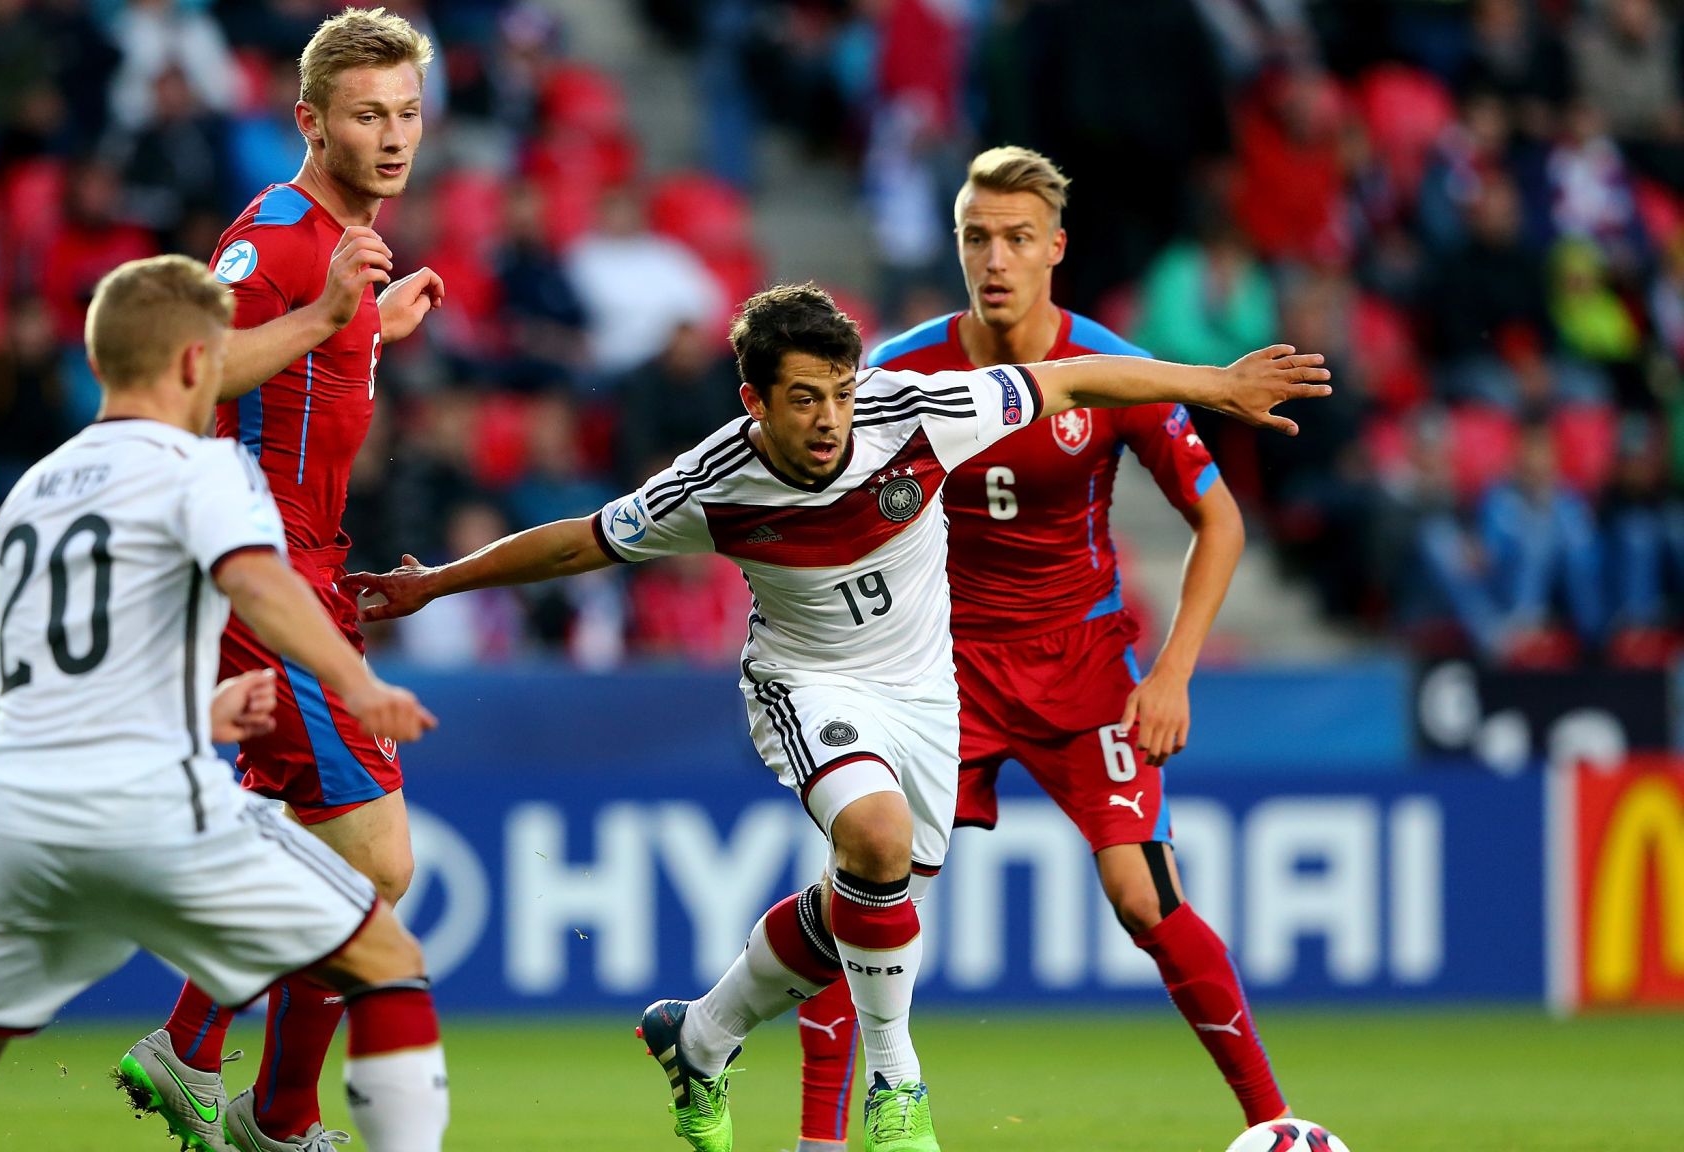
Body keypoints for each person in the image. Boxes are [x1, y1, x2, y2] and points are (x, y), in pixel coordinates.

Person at [345, 282, 1329, 1152]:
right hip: (804, 684)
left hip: (924, 698)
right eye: (802, 398)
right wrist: (436, 584)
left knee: (866, 899)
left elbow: (1070, 381)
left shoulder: (914, 413)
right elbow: (576, 545)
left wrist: (1208, 385)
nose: (827, 419)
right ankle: (896, 1086)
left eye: (839, 392)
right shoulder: (714, 482)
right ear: (754, 402)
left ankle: (698, 1038)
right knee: (873, 835)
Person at [0, 255, 448, 1152]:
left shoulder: (29, 495)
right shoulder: (203, 470)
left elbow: (76, 669)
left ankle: (182, 1052)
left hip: (18, 819)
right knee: (387, 959)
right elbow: (260, 584)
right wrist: (360, 684)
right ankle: (275, 1113)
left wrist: (199, 717)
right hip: (150, 809)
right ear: (197, 364)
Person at [788, 147, 1286, 1152]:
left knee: (1142, 893)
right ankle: (821, 1142)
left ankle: (1274, 1125)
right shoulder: (900, 372)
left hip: (1081, 666)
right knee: (873, 892)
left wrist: (1175, 674)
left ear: (1054, 249)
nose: (994, 258)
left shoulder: (1109, 368)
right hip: (941, 671)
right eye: (976, 237)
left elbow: (1218, 521)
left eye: (1017, 238)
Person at [120, 9, 449, 1152]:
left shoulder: (346, 246)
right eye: (368, 115)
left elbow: (298, 376)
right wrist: (327, 316)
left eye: (407, 112)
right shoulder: (275, 234)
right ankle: (241, 1084)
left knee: (321, 845)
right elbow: (188, 375)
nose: (394, 135)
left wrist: (369, 334)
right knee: (378, 857)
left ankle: (244, 1086)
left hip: (306, 565)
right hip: (258, 572)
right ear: (310, 121)